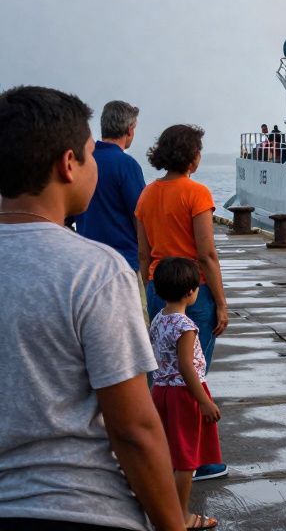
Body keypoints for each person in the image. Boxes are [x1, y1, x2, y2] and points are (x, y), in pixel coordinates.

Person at [0, 86, 184, 531]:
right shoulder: (96, 273)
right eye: (89, 155)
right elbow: (133, 430)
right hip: (79, 505)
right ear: (68, 164)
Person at [136, 123, 229, 482]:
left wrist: (147, 296)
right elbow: (206, 254)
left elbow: (143, 255)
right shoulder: (196, 193)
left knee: (162, 374)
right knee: (193, 376)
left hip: (158, 286)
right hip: (194, 290)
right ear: (192, 154)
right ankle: (198, 461)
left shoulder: (146, 195)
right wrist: (220, 302)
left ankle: (162, 450)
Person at [148, 258, 222, 531]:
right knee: (185, 460)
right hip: (184, 393)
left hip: (161, 391)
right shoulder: (185, 326)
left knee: (167, 455)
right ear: (192, 291)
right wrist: (203, 400)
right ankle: (180, 516)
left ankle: (163, 510)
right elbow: (185, 364)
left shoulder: (159, 319)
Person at [72, 100, 147, 271]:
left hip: (86, 263)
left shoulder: (81, 161)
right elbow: (140, 217)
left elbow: (66, 215)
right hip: (123, 263)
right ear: (129, 130)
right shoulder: (126, 165)